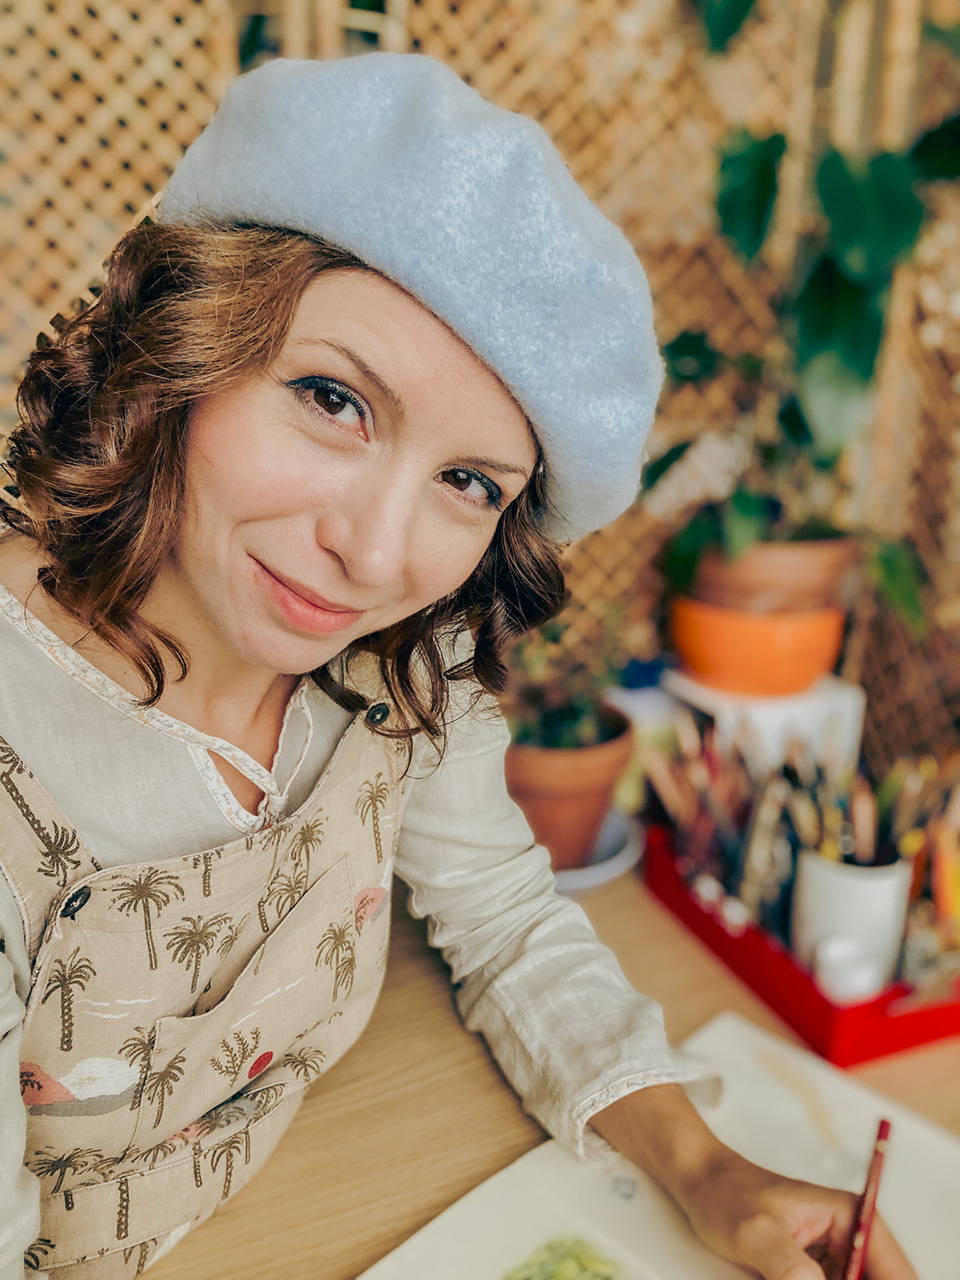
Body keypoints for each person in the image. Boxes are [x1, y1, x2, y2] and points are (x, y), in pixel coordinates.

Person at [0, 54, 915, 1280]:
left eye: (469, 482)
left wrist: (703, 1167)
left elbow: (499, 916)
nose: (372, 554)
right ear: (181, 350)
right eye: (333, 398)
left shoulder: (397, 667)